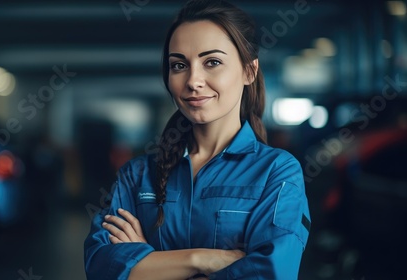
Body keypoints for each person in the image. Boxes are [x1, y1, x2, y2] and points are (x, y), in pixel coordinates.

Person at [84, 0, 310, 279]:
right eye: (179, 65)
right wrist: (202, 259)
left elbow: (271, 273)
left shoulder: (276, 172)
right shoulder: (137, 175)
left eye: (212, 62)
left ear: (248, 71)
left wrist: (150, 264)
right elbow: (100, 266)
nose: (193, 80)